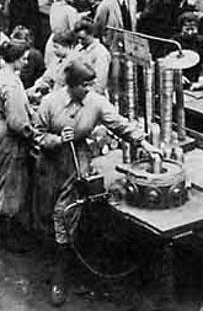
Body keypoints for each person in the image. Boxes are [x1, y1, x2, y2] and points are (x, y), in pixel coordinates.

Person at [33, 60, 160, 306]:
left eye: (90, 84)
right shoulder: (50, 102)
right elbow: (36, 134)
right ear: (71, 86)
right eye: (84, 85)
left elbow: (120, 124)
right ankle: (58, 264)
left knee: (64, 214)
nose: (89, 89)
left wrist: (144, 143)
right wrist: (56, 139)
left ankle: (61, 278)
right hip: (50, 162)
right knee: (49, 213)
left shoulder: (96, 102)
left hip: (78, 159)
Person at [0, 39, 38, 253]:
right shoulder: (12, 84)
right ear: (14, 59)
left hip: (0, 133)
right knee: (10, 184)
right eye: (24, 59)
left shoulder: (6, 77)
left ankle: (7, 231)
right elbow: (17, 122)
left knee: (3, 182)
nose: (26, 62)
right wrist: (34, 134)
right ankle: (8, 237)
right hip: (10, 140)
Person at [29, 30, 77, 102]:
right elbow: (47, 76)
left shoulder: (74, 63)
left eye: (56, 47)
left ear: (68, 46)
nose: (54, 50)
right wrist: (35, 87)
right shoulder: (57, 60)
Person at [45, 0, 82, 67]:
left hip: (52, 42)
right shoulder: (71, 10)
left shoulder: (54, 6)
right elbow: (73, 30)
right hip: (63, 44)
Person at [73, 19, 111, 95]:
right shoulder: (78, 48)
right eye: (78, 38)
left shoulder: (100, 52)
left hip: (92, 95)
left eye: (83, 38)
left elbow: (100, 84)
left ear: (91, 34)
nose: (80, 41)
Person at [173, 13, 203, 83]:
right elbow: (170, 63)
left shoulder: (202, 41)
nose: (190, 32)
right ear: (181, 28)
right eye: (187, 29)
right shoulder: (174, 42)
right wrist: (178, 76)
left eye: (192, 29)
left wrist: (202, 76)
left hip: (197, 78)